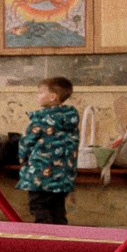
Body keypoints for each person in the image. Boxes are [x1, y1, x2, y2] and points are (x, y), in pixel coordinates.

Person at [16, 76, 81, 225]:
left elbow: (27, 141)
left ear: (52, 97)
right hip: (63, 176)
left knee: (39, 208)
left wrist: (22, 158)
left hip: (40, 175)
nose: (37, 95)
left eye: (40, 92)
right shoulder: (70, 119)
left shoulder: (41, 119)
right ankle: (61, 240)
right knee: (57, 209)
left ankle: (45, 240)